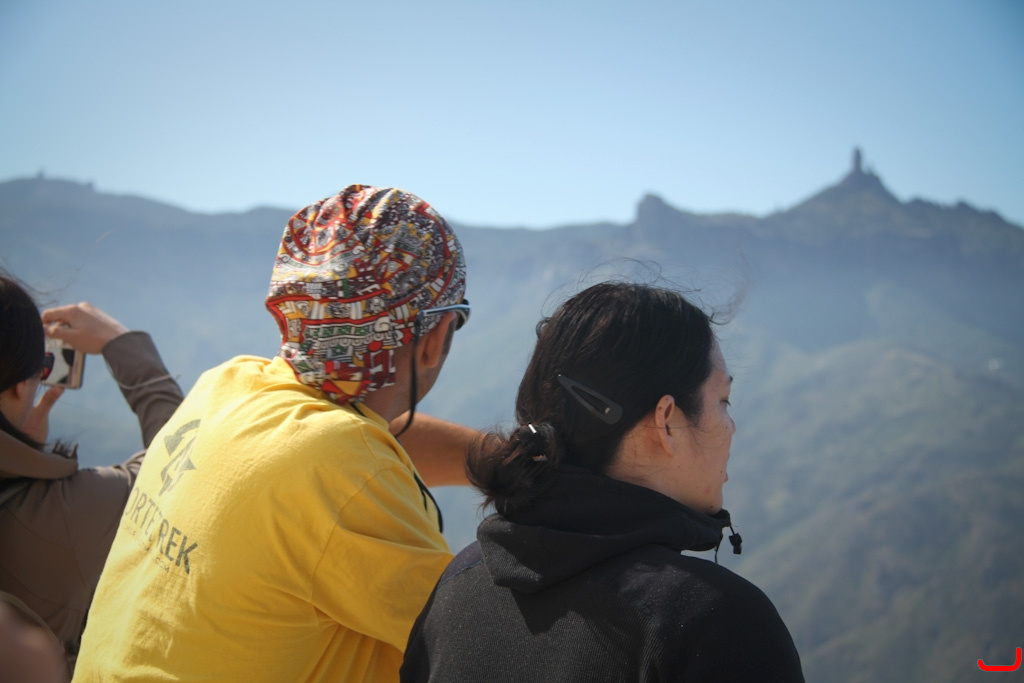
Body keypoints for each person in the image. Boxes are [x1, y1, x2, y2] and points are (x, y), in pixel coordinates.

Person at [74, 185, 474, 682]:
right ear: (435, 337)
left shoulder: (227, 386)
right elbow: (480, 640)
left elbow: (333, 444)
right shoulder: (345, 468)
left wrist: (493, 458)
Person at [401, 282, 805, 682]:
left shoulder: (456, 588)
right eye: (723, 401)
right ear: (666, 421)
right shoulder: (716, 624)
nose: (732, 426)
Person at [0, 274, 184, 676]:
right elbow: (176, 460)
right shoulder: (58, 516)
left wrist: (21, 453)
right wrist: (121, 344)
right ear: (19, 387)